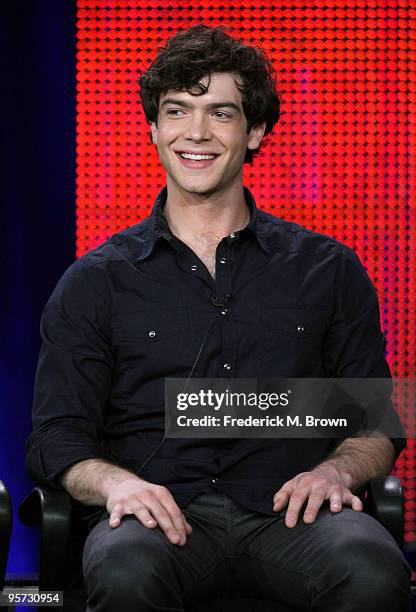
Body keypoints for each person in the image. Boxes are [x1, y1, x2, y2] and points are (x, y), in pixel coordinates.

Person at [26, 24, 411, 612]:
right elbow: (56, 436)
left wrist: (335, 472)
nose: (196, 132)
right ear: (154, 128)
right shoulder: (95, 281)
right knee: (125, 572)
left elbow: (374, 424)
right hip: (157, 521)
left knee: (371, 567)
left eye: (220, 113)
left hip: (294, 514)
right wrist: (116, 483)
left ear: (255, 130)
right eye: (177, 110)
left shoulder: (328, 269)